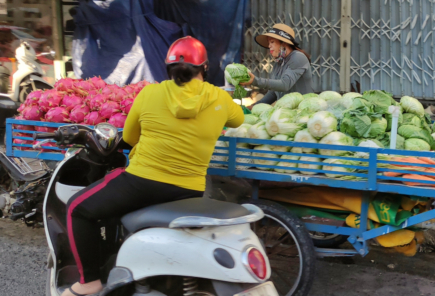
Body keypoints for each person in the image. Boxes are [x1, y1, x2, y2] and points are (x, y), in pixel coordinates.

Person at [62, 36, 245, 296]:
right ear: (205, 68)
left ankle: (89, 282)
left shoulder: (150, 93)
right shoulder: (220, 98)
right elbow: (238, 119)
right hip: (190, 189)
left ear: (168, 69)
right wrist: (232, 95)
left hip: (142, 183)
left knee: (76, 209)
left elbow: (130, 138)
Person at [240, 23, 314, 106]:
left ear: (284, 44)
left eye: (272, 42)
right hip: (287, 112)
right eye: (268, 43)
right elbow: (273, 93)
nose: (269, 46)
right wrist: (254, 106)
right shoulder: (279, 63)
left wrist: (255, 81)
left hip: (304, 111)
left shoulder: (298, 57)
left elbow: (284, 85)